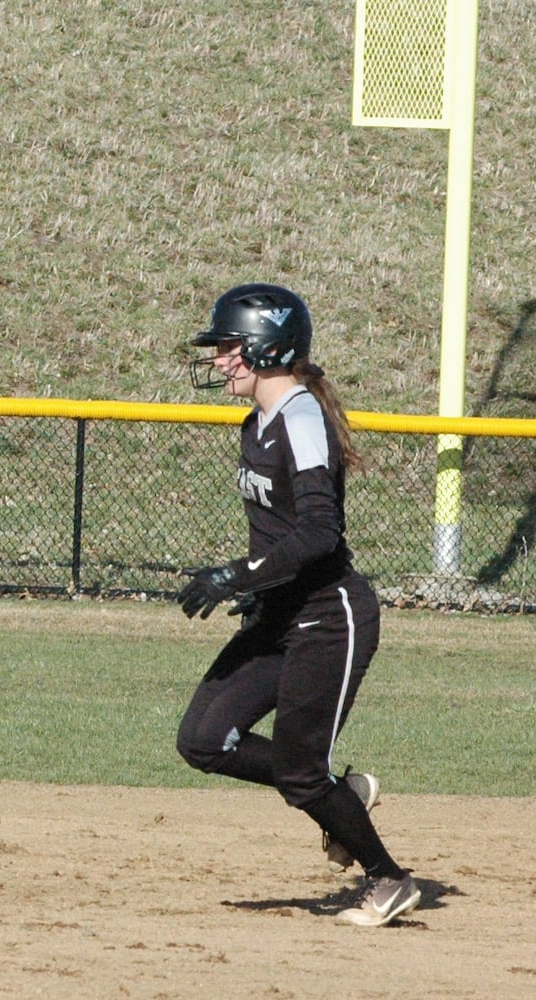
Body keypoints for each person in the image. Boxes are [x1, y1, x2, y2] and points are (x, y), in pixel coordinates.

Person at [174, 282, 420, 928]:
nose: (220, 360)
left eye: (228, 347)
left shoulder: (301, 417)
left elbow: (317, 533)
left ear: (264, 346)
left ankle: (388, 879)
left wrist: (238, 574)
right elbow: (280, 534)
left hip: (328, 618)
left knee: (298, 773)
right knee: (202, 738)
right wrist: (258, 591)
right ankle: (340, 799)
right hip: (280, 615)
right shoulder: (254, 423)